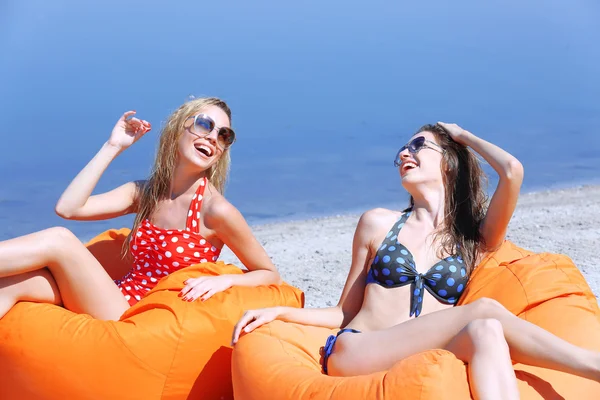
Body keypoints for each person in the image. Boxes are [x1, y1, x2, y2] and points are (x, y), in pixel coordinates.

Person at [232, 122, 600, 400]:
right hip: (359, 348)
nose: (405, 154)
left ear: (450, 165)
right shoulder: (378, 223)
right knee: (484, 311)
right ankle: (590, 366)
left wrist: (464, 137)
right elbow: (344, 312)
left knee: (486, 331)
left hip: (424, 352)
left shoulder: (472, 240)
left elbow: (512, 171)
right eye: (402, 150)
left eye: (419, 146)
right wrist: (279, 313)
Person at [0, 97, 280, 321]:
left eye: (224, 135)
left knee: (59, 240)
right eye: (205, 125)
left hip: (140, 319)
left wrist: (226, 281)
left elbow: (268, 273)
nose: (212, 137)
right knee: (12, 285)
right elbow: (69, 207)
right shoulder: (145, 193)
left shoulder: (215, 210)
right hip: (117, 296)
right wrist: (113, 146)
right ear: (178, 128)